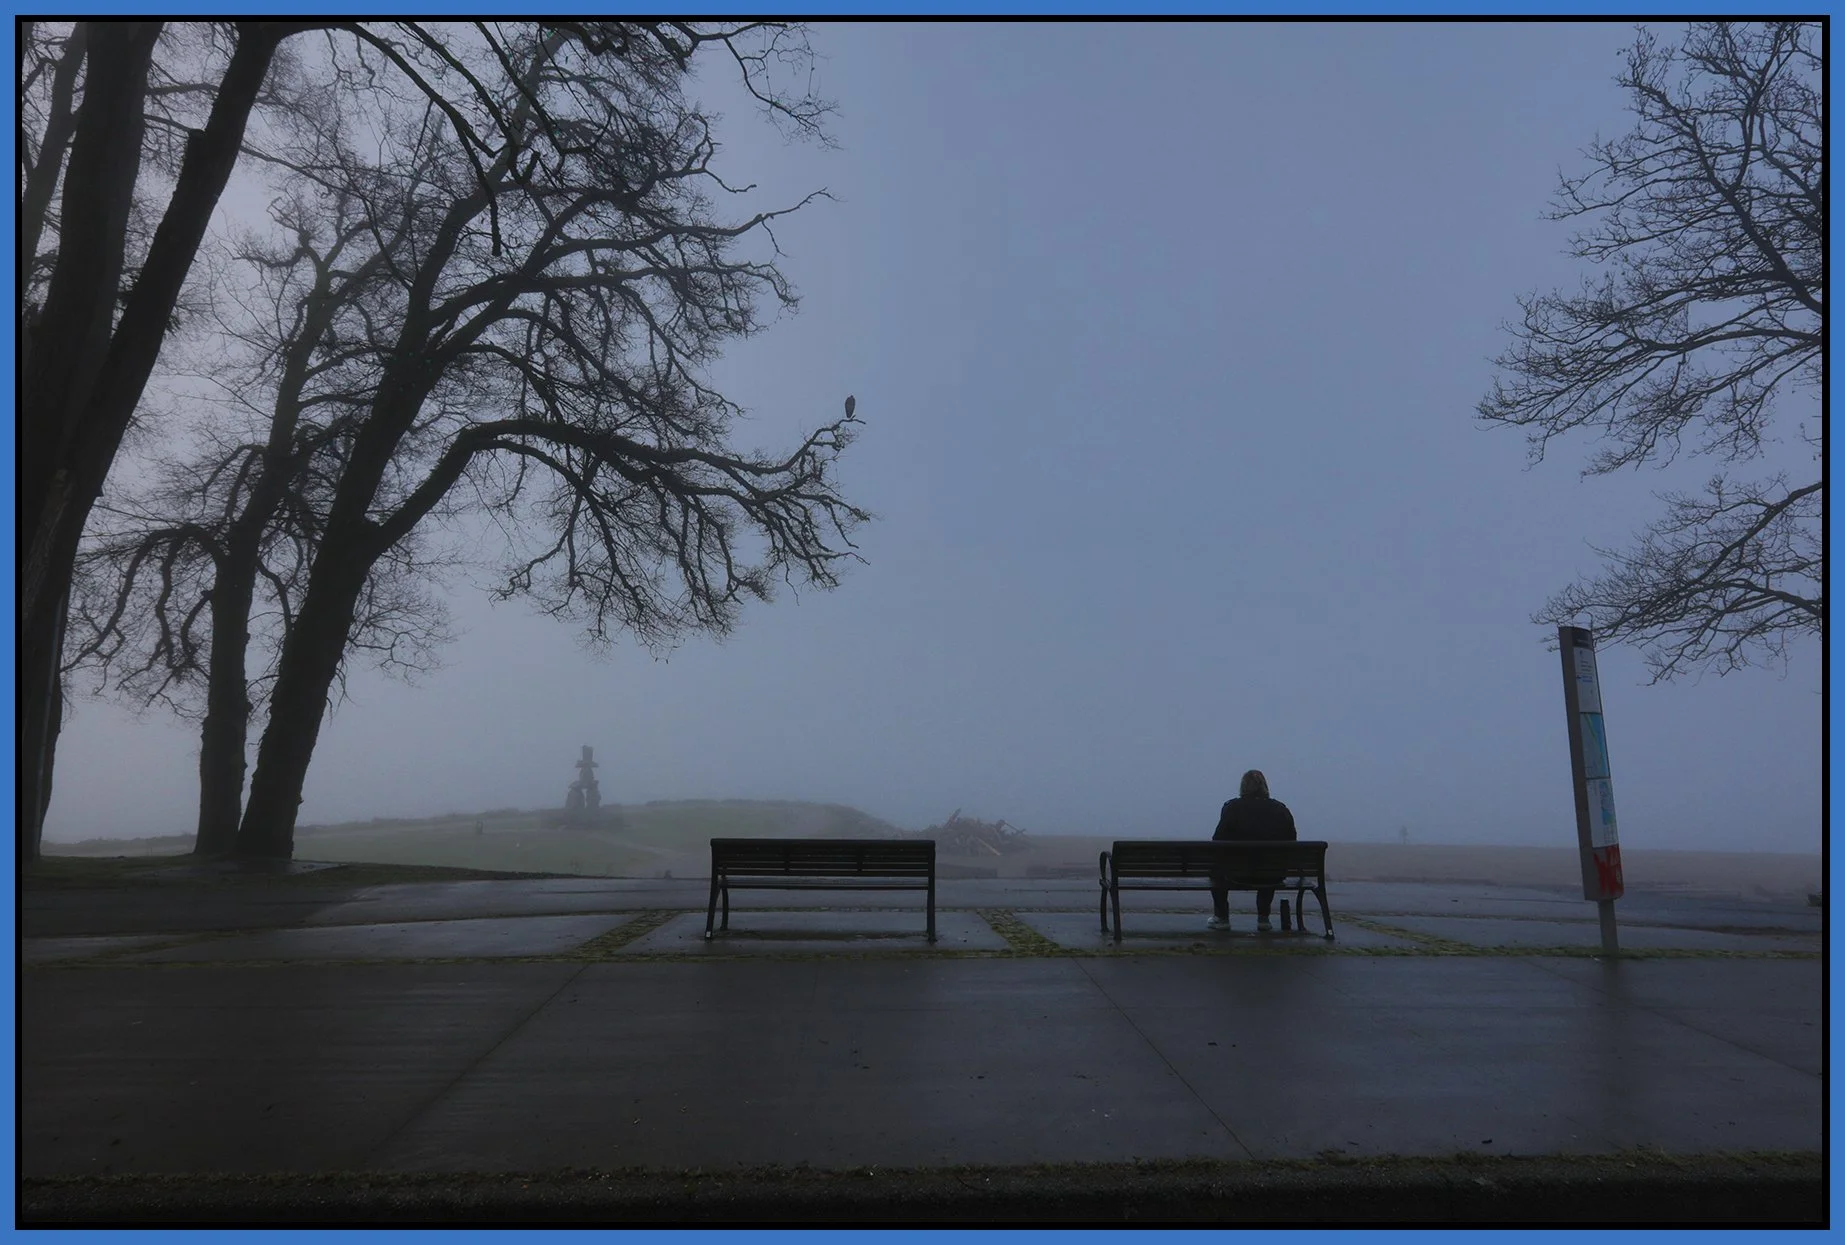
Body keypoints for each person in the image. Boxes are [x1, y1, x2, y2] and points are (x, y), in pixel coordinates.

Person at [1206, 769, 1297, 932]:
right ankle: (1263, 917)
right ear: (1265, 787)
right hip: (1272, 874)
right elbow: (1292, 839)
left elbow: (1217, 840)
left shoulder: (1232, 807)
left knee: (1216, 869)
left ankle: (1221, 917)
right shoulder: (1280, 809)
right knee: (1270, 865)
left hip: (1236, 873)